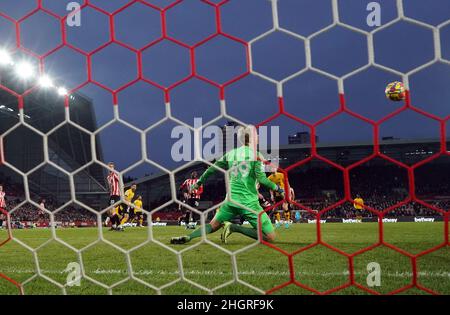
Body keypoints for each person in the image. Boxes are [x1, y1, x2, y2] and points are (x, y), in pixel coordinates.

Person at [170, 125, 284, 245]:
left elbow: (212, 169)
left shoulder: (231, 154)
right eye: (256, 134)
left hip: (231, 201)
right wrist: (279, 189)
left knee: (212, 225)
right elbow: (262, 179)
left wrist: (199, 183)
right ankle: (235, 228)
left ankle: (189, 237)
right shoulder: (256, 155)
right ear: (251, 138)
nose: (259, 136)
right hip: (248, 203)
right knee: (270, 237)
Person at [106, 162, 121, 230]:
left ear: (113, 168)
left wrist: (121, 193)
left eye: (112, 167)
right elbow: (110, 187)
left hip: (116, 194)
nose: (111, 168)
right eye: (109, 167)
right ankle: (114, 225)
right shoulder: (108, 177)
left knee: (112, 210)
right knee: (109, 211)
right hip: (112, 195)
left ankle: (119, 226)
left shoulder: (115, 174)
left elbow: (120, 182)